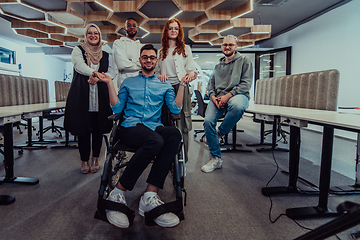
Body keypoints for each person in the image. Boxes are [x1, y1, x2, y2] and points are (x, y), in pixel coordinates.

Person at [99, 44, 188, 228]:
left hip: (153, 127)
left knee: (173, 134)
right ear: (140, 60)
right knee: (155, 140)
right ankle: (118, 192)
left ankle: (149, 195)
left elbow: (175, 109)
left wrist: (183, 85)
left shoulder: (164, 84)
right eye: (145, 57)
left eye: (152, 57)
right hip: (130, 127)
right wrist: (109, 83)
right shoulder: (129, 82)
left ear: (156, 60)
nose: (148, 60)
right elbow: (116, 108)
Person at [64, 23, 115, 174]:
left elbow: (112, 72)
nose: (93, 36)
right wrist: (94, 73)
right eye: (90, 33)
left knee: (98, 130)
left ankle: (95, 158)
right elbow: (79, 65)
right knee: (83, 130)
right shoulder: (78, 50)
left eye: (96, 33)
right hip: (81, 96)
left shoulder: (106, 54)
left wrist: (99, 79)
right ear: (85, 36)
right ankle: (84, 159)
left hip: (100, 98)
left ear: (100, 36)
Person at [201, 35, 253, 173]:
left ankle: (221, 132)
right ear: (221, 46)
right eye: (225, 44)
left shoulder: (244, 61)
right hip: (217, 98)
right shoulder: (217, 66)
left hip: (237, 95)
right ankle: (216, 159)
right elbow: (210, 85)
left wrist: (227, 96)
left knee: (238, 107)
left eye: (231, 44)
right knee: (207, 121)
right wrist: (213, 97)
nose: (227, 47)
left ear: (236, 46)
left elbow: (246, 84)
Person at [156, 18, 197, 163]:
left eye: (176, 28)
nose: (173, 30)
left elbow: (192, 70)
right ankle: (167, 159)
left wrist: (190, 76)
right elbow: (156, 73)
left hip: (181, 88)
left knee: (182, 122)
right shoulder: (161, 52)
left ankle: (182, 160)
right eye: (170, 28)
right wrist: (160, 75)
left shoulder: (186, 49)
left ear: (179, 31)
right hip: (165, 89)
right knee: (166, 122)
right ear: (166, 31)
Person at [113, 18, 143, 92]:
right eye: (129, 25)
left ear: (137, 29)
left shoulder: (142, 47)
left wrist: (130, 61)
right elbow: (121, 65)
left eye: (134, 25)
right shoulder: (118, 43)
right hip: (124, 82)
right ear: (124, 28)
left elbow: (145, 64)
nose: (132, 27)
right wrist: (138, 65)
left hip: (140, 83)